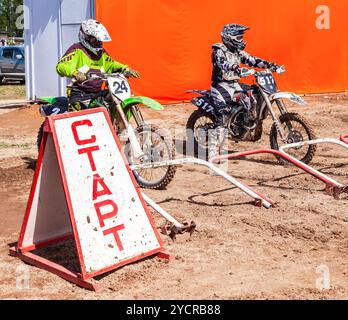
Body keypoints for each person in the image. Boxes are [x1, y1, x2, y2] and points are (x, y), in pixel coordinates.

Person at [209, 23, 282, 157]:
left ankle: (244, 125)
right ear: (228, 37)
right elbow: (223, 63)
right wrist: (236, 68)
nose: (241, 40)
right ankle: (213, 152)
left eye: (241, 37)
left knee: (253, 95)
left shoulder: (237, 52)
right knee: (223, 116)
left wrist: (271, 65)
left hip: (235, 84)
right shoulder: (218, 50)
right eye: (238, 37)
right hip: (221, 86)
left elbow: (253, 60)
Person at [56, 19, 140, 111]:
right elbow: (61, 66)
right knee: (93, 113)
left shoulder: (101, 53)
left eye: (100, 41)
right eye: (95, 40)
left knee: (115, 100)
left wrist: (125, 68)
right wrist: (75, 73)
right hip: (80, 95)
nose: (99, 43)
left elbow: (111, 64)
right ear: (85, 37)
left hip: (96, 94)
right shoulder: (77, 50)